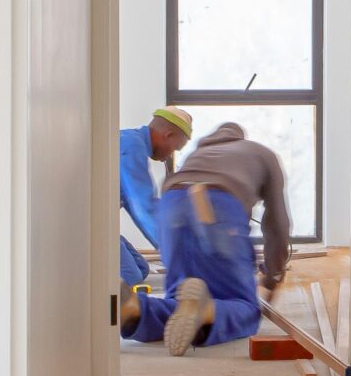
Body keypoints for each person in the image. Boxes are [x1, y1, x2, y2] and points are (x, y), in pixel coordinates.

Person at [119, 121, 291, 356]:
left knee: (180, 298)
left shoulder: (199, 153)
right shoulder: (261, 153)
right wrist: (273, 274)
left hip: (170, 207)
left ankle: (135, 309)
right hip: (217, 205)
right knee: (245, 306)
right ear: (240, 138)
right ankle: (207, 310)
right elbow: (277, 223)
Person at [119, 106, 195, 288]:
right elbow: (144, 206)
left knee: (141, 269)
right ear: (167, 135)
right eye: (175, 148)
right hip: (84, 227)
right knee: (130, 275)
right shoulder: (131, 145)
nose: (169, 156)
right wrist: (175, 255)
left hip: (99, 226)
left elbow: (136, 205)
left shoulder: (131, 142)